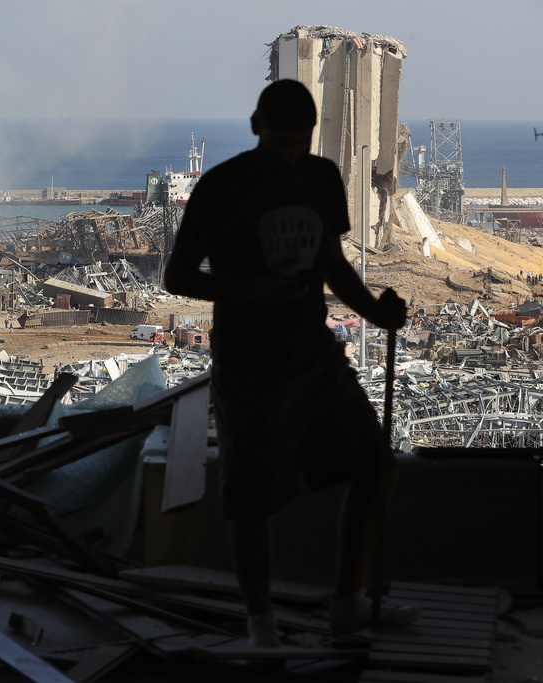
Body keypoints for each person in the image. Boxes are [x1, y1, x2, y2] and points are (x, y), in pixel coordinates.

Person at [163, 79, 420, 649]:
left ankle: (349, 603)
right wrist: (248, 289)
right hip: (249, 367)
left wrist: (374, 312)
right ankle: (262, 626)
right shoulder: (221, 187)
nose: (291, 155)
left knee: (377, 467)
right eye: (280, 143)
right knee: (252, 499)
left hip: (314, 356)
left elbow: (331, 263)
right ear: (257, 129)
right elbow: (175, 276)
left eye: (300, 143)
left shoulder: (322, 178)